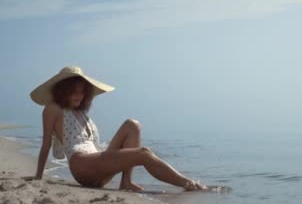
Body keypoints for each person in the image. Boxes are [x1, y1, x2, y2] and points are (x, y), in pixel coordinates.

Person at [26, 66, 207, 192]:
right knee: (143, 153)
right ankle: (188, 183)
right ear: (64, 90)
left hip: (98, 164)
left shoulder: (81, 113)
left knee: (132, 124)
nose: (79, 96)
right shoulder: (53, 109)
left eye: (82, 91)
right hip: (82, 165)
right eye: (74, 91)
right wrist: (38, 177)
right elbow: (46, 144)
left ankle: (126, 181)